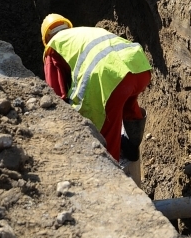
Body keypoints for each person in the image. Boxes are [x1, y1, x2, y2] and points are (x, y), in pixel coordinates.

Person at [41, 14, 151, 182]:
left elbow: (55, 96)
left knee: (106, 127)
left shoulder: (53, 48)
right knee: (127, 102)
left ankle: (110, 177)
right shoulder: (84, 32)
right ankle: (132, 145)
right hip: (140, 67)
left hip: (113, 79)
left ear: (46, 39)